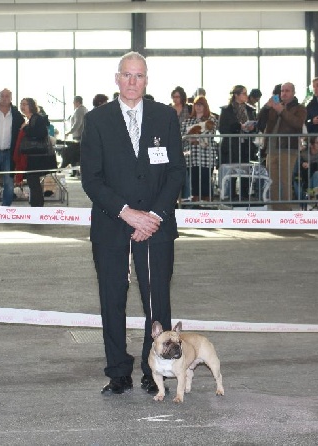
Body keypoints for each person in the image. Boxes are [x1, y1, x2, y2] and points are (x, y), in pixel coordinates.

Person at [80, 51, 185, 396]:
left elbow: (175, 172)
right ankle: (118, 372)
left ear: (146, 80)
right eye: (126, 75)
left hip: (156, 228)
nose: (132, 82)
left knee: (157, 302)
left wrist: (153, 216)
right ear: (116, 78)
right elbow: (91, 179)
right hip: (113, 225)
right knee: (113, 300)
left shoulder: (165, 116)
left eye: (139, 76)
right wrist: (126, 212)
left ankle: (152, 368)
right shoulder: (97, 120)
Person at [263, 82, 307, 210]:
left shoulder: (300, 108)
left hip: (288, 149)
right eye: (282, 91)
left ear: (293, 93)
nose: (284, 93)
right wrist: (266, 107)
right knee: (273, 181)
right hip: (272, 149)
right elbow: (261, 121)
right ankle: (275, 208)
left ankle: (286, 210)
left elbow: (298, 123)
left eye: (287, 91)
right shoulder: (275, 107)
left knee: (285, 180)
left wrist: (282, 111)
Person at [13, 97, 57, 207]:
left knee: (34, 183)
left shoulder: (37, 118)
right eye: (21, 104)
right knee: (33, 183)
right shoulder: (31, 119)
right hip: (33, 156)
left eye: (25, 104)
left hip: (37, 156)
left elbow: (40, 133)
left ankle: (37, 206)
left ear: (31, 106)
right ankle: (36, 205)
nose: (22, 106)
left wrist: (25, 129)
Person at [218, 85, 256, 200]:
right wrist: (237, 127)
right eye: (244, 93)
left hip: (246, 144)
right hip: (232, 145)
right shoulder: (226, 110)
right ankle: (231, 196)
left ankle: (245, 195)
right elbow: (222, 128)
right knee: (232, 171)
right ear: (236, 95)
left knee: (246, 171)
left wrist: (251, 128)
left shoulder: (250, 110)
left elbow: (256, 126)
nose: (246, 96)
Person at [180, 96, 219, 201]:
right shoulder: (188, 121)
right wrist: (190, 138)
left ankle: (207, 203)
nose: (198, 107)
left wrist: (195, 137)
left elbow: (211, 133)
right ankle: (194, 202)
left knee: (206, 179)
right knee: (193, 181)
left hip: (206, 155)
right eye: (196, 105)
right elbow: (182, 135)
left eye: (201, 105)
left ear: (205, 106)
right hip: (191, 156)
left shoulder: (211, 120)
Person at [63, 95, 87, 175]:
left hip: (78, 135)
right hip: (83, 135)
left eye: (74, 102)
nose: (73, 103)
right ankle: (77, 171)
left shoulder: (79, 110)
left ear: (77, 102)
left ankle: (75, 171)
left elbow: (77, 123)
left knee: (74, 154)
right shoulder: (85, 109)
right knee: (79, 154)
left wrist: (69, 132)